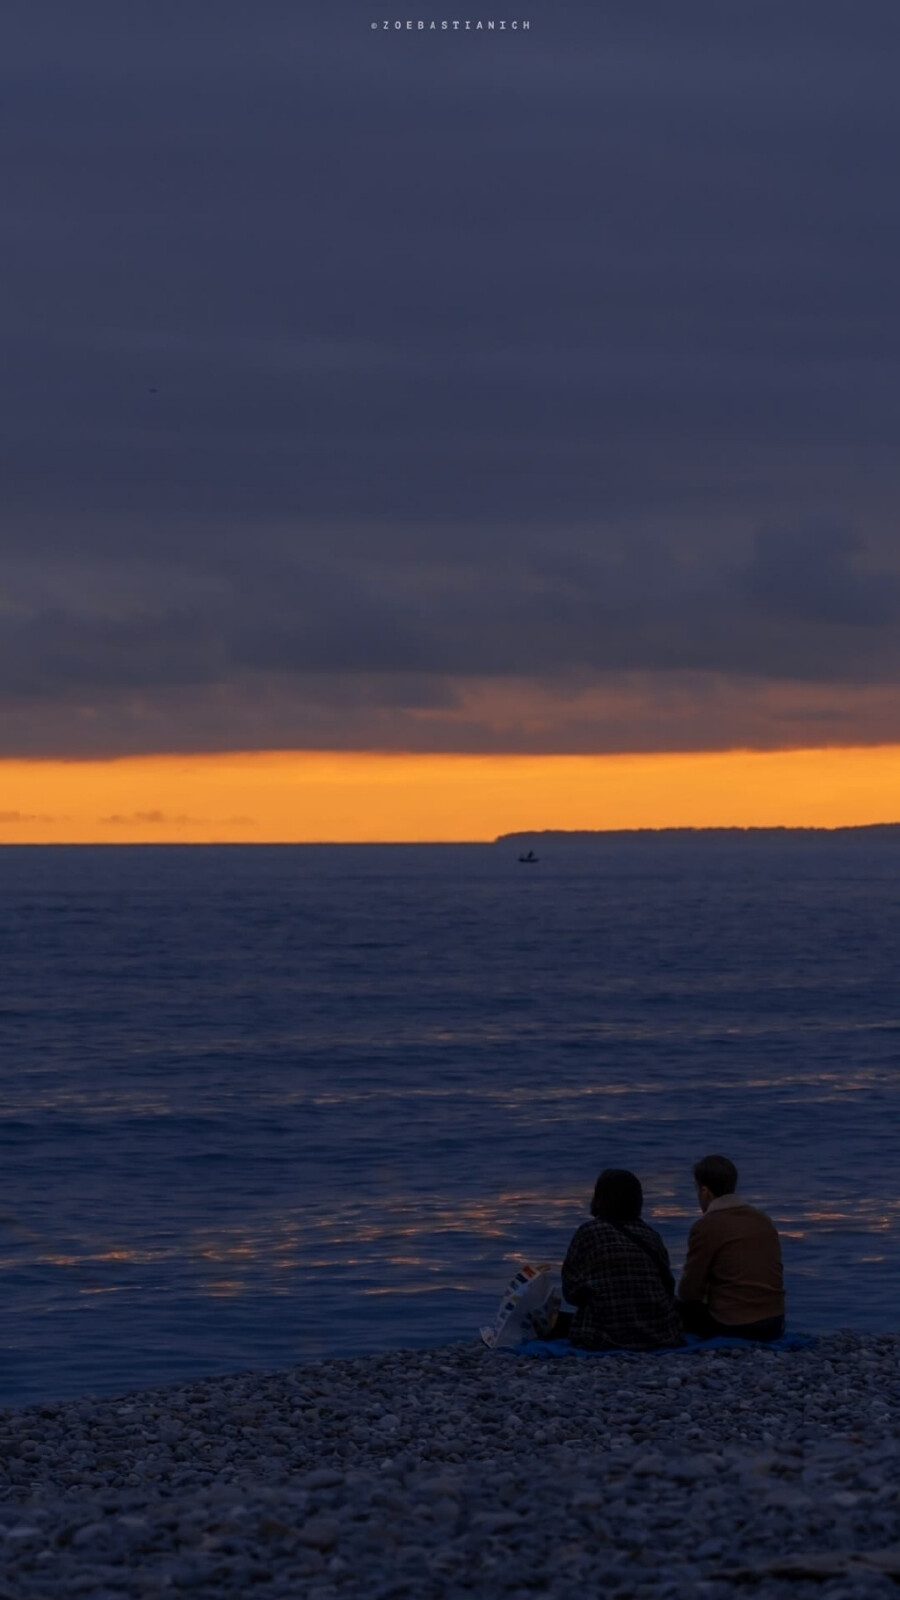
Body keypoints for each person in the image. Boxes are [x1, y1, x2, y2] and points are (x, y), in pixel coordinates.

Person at [557, 1169, 684, 1351]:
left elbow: (571, 1292)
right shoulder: (651, 1236)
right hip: (659, 1332)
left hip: (606, 1335)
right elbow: (668, 1287)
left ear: (599, 1199)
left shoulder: (588, 1232)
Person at [678, 1155, 785, 1342]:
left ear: (704, 1191)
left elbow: (689, 1292)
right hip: (774, 1322)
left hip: (733, 1325)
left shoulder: (706, 1226)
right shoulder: (763, 1220)